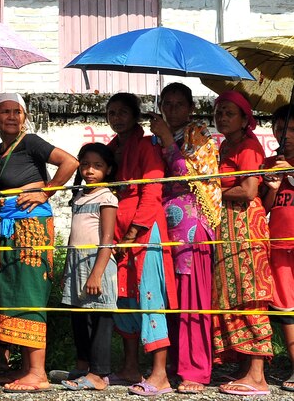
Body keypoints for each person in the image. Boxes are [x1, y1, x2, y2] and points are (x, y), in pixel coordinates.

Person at [0, 93, 77, 392]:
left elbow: (70, 162)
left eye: (17, 111)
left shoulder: (31, 142)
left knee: (29, 291)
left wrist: (47, 192)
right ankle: (23, 368)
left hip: (30, 226)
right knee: (11, 293)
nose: (12, 117)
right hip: (8, 227)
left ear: (25, 117)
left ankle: (38, 373)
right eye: (5, 112)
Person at [148, 83, 220, 393]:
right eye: (168, 103)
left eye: (180, 104)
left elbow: (188, 176)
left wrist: (166, 139)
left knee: (193, 302)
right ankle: (174, 366)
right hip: (164, 225)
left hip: (192, 226)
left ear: (190, 108)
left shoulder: (199, 134)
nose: (173, 109)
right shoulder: (154, 137)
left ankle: (196, 372)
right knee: (171, 299)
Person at [105, 93, 177, 396]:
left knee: (150, 298)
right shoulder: (110, 150)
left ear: (136, 116)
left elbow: (152, 191)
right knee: (126, 299)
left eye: (123, 112)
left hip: (146, 230)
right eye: (111, 113)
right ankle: (131, 367)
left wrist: (134, 233)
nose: (117, 118)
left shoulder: (148, 146)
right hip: (119, 231)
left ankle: (160, 374)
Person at [213, 90, 272, 396]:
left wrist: (212, 192)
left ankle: (259, 376)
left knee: (249, 293)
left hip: (246, 225)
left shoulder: (248, 146)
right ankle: (245, 366)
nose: (222, 117)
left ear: (244, 119)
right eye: (219, 112)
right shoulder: (225, 145)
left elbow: (249, 191)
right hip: (228, 227)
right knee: (231, 293)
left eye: (229, 113)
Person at [60, 143, 118, 392]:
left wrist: (96, 273)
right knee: (79, 317)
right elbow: (74, 236)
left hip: (98, 262)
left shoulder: (107, 196)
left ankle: (98, 373)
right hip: (76, 262)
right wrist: (66, 269)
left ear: (108, 169)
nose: (89, 170)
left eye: (97, 166)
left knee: (100, 318)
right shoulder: (79, 196)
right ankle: (83, 365)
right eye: (85, 165)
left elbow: (107, 238)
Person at [262, 104, 294, 393]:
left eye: (292, 129)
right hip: (280, 241)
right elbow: (265, 208)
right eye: (280, 128)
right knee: (285, 306)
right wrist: (272, 187)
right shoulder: (268, 165)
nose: (285, 135)